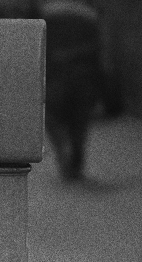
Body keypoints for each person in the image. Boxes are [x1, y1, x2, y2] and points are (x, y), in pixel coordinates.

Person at [41, 0, 104, 181]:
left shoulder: (46, 15)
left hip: (55, 76)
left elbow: (40, 47)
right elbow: (96, 49)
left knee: (52, 116)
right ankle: (75, 163)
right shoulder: (89, 16)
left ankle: (63, 149)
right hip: (83, 75)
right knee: (79, 122)